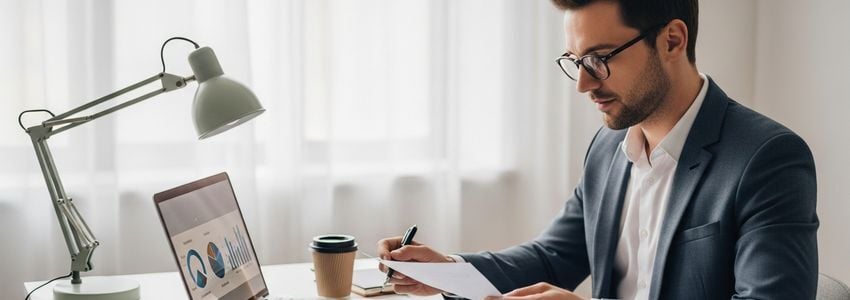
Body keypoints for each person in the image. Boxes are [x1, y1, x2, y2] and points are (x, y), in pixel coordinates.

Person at [378, 0, 819, 299]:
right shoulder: (609, 148)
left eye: (599, 59)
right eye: (575, 62)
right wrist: (447, 270)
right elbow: (554, 257)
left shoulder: (767, 159)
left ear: (672, 40)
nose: (585, 84)